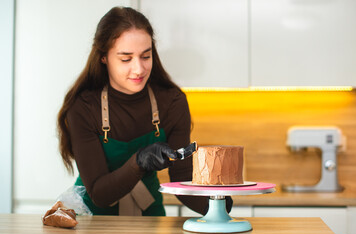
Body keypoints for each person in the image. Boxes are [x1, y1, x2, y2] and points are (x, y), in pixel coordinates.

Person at [57, 6, 232, 216]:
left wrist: (218, 203)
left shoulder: (172, 102)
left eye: (145, 56)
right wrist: (139, 161)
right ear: (103, 57)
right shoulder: (83, 106)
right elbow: (99, 194)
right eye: (126, 58)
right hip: (96, 222)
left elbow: (182, 178)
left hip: (149, 219)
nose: (139, 69)